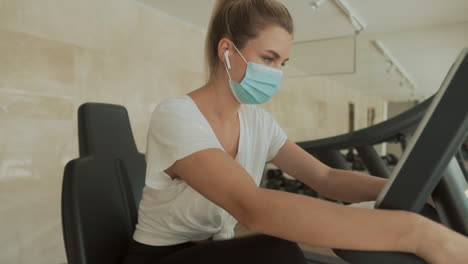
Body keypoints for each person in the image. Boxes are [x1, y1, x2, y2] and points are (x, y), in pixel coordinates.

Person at [123, 0, 468, 263]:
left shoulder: (258, 122)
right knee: (278, 252)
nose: (277, 73)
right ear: (227, 51)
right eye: (269, 58)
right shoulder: (177, 116)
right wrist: (420, 235)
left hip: (212, 249)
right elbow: (252, 207)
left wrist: (417, 191)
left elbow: (327, 177)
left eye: (283, 64)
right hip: (160, 256)